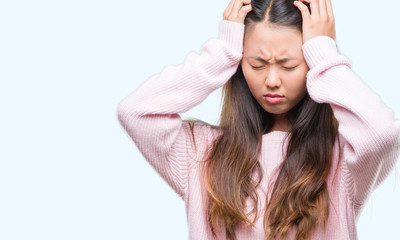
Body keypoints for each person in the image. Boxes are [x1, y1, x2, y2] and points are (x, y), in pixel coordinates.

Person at [117, 0, 400, 239]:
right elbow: (136, 112)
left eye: (289, 65)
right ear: (239, 63)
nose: (272, 80)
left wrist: (325, 55)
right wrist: (221, 54)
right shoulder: (200, 154)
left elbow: (382, 132)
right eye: (257, 64)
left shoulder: (341, 161)